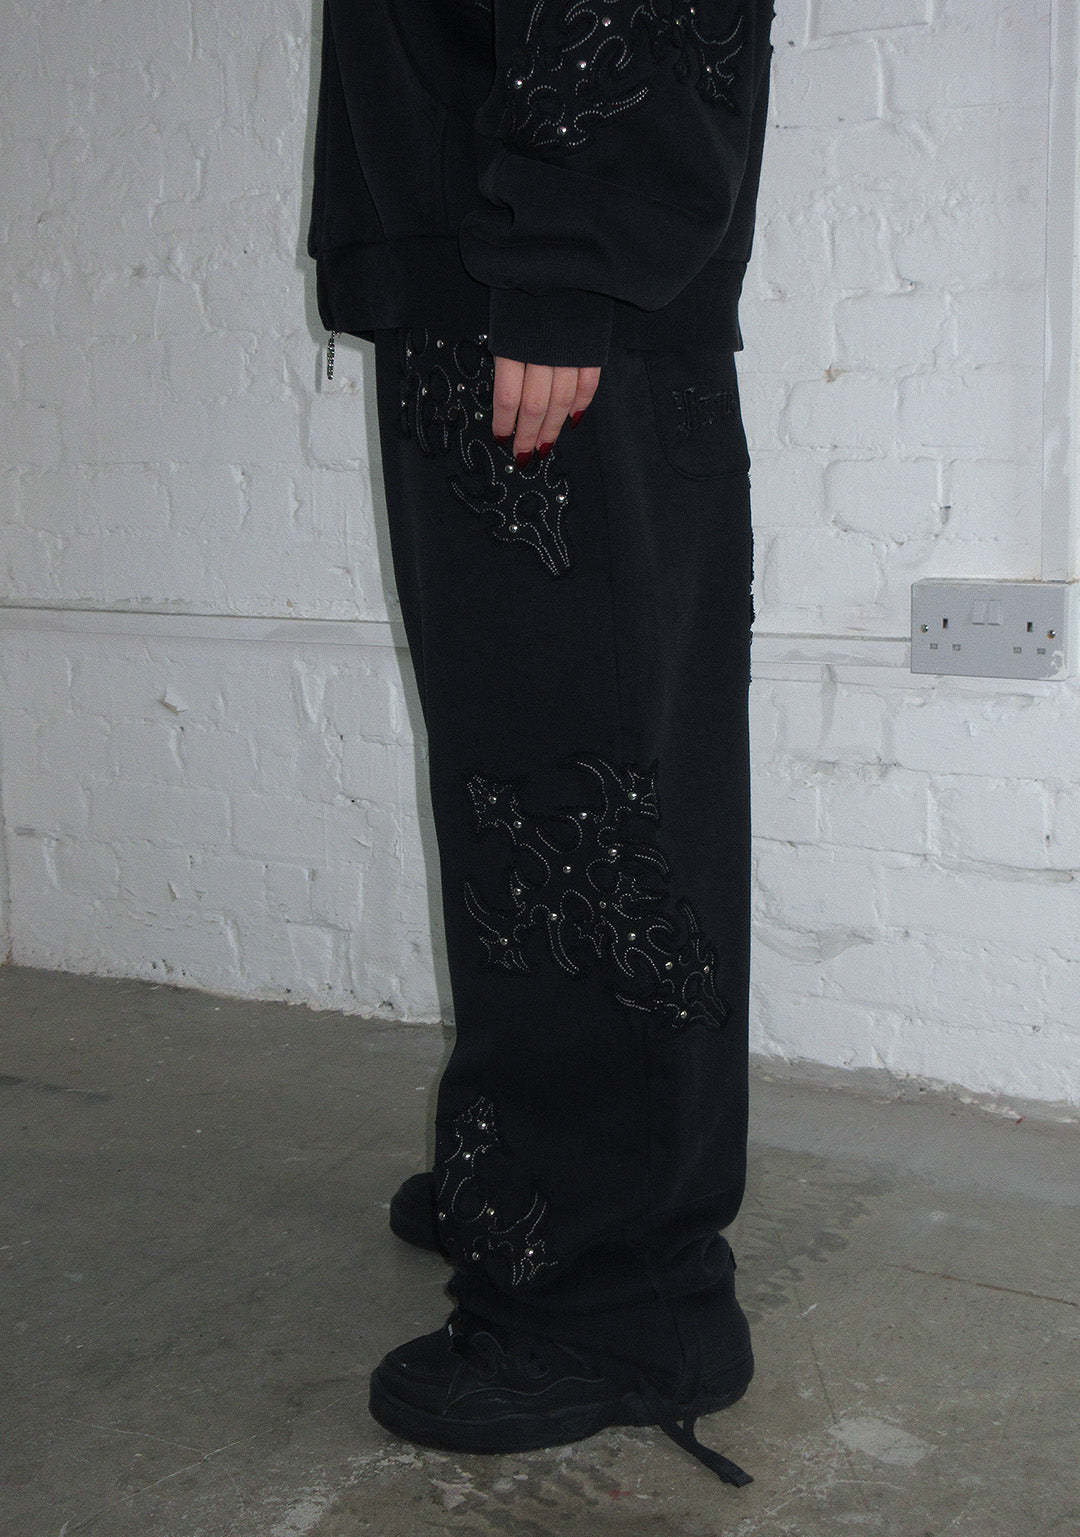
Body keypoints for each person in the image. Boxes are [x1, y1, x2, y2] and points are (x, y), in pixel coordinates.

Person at [306, 0, 776, 1487]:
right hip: (484, 254)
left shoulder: (561, 272)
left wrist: (573, 258)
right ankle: (544, 1189)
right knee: (525, 774)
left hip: (548, 279)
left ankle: (624, 1299)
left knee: (588, 794)